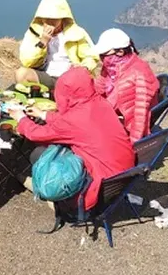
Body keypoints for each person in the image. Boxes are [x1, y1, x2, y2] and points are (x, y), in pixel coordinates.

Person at [9, 67, 135, 212]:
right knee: (56, 145)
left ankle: (57, 196)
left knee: (40, 153)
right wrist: (44, 115)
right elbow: (71, 122)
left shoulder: (76, 119)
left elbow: (37, 133)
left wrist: (21, 118)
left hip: (97, 186)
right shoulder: (99, 103)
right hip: (121, 175)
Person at [92, 28, 160, 143]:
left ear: (120, 52)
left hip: (126, 127)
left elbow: (140, 114)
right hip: (112, 116)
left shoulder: (140, 73)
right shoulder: (110, 68)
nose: (101, 58)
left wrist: (134, 143)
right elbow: (98, 88)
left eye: (104, 54)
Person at [16, 0, 97, 90]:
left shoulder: (76, 33)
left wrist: (83, 67)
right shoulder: (35, 32)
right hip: (45, 74)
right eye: (46, 18)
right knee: (21, 73)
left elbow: (91, 57)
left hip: (69, 77)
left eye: (54, 19)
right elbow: (27, 61)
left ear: (63, 18)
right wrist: (43, 42)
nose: (50, 22)